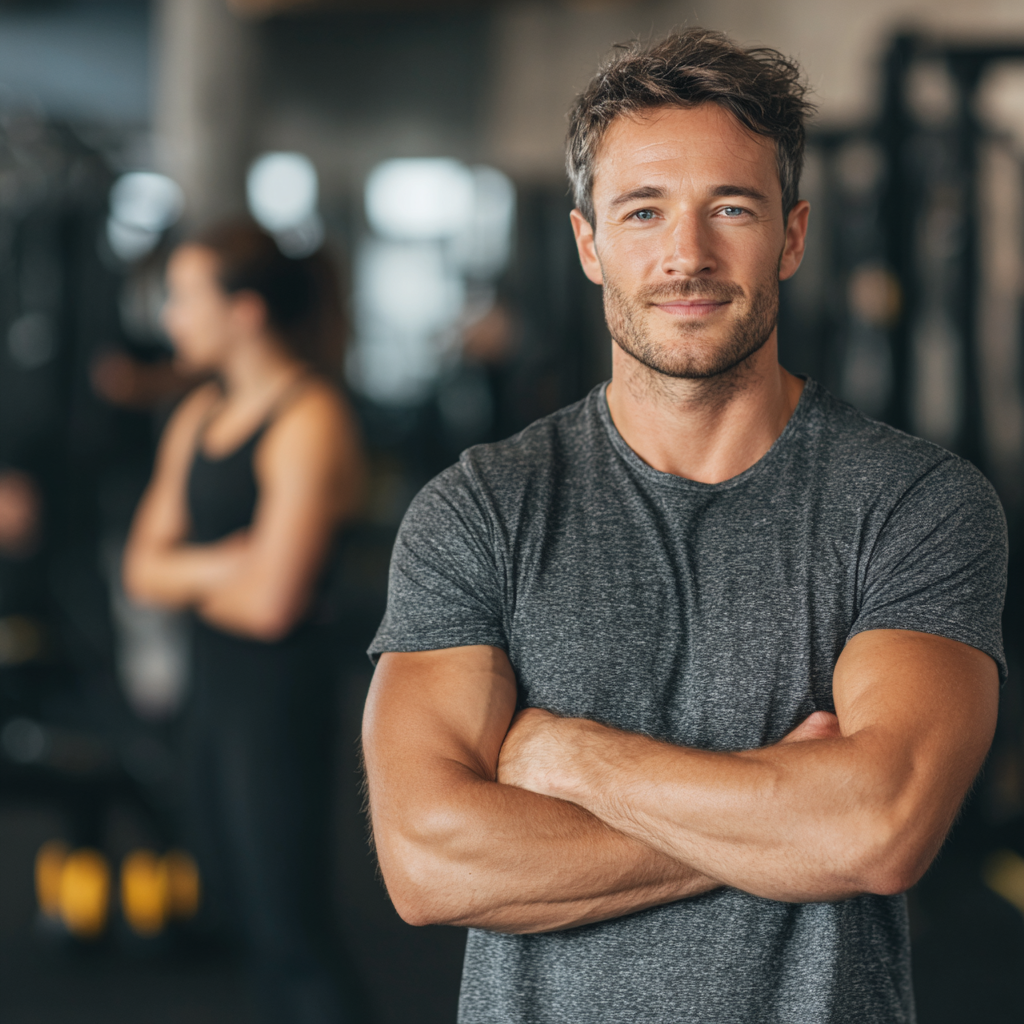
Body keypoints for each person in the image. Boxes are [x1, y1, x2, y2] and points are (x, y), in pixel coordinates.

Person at [361, 29, 1006, 1024]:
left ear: (792, 236)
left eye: (731, 208)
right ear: (590, 244)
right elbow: (426, 860)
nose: (687, 256)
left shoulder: (914, 503)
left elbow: (877, 826)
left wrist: (571, 759)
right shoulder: (482, 509)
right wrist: (787, 817)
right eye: (644, 210)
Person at [123, 220, 366, 1023]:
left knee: (291, 930)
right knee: (239, 920)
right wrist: (229, 563)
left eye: (183, 297)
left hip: (277, 701)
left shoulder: (310, 416)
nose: (170, 317)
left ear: (245, 311)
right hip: (209, 695)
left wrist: (194, 573)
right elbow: (140, 570)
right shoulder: (199, 412)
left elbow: (270, 606)